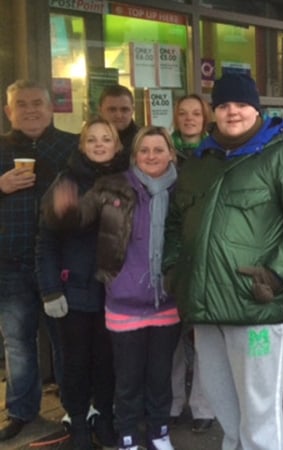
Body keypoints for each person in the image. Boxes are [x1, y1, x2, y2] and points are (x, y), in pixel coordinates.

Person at [164, 73, 283, 450]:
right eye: (223, 105)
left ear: (257, 109)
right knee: (224, 403)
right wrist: (173, 268)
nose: (232, 112)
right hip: (205, 307)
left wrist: (274, 274)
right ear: (213, 112)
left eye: (240, 104)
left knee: (259, 409)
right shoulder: (200, 160)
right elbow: (175, 222)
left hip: (255, 304)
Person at [49, 126, 181, 450]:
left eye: (158, 149)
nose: (151, 156)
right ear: (134, 156)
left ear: (171, 154)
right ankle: (128, 437)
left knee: (159, 378)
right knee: (128, 380)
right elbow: (79, 218)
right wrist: (64, 210)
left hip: (167, 300)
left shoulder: (184, 189)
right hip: (124, 301)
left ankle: (158, 432)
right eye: (144, 150)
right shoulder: (112, 187)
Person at [36, 118, 127, 450]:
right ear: (82, 146)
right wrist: (50, 289)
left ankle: (103, 418)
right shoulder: (66, 182)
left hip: (116, 293)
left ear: (118, 145)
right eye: (92, 139)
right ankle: (77, 421)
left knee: (107, 362)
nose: (100, 144)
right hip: (74, 291)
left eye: (107, 138)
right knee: (75, 362)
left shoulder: (128, 182)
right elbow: (45, 242)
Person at [0, 79, 76, 441]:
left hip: (59, 261)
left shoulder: (71, 145)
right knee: (17, 340)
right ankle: (21, 411)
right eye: (22, 104)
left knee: (66, 338)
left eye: (37, 103)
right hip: (10, 261)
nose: (30, 110)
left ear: (51, 108)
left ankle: (73, 408)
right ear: (8, 111)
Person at [168, 94, 215, 433]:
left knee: (202, 337)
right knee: (170, 336)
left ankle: (203, 406)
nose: (189, 118)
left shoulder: (214, 152)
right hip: (170, 250)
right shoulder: (160, 148)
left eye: (195, 113)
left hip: (203, 251)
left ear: (205, 117)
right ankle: (171, 402)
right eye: (182, 113)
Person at [98, 84, 139, 156]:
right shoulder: (85, 142)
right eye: (112, 110)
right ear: (100, 110)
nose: (118, 115)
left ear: (133, 110)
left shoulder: (145, 141)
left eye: (124, 109)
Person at [172, 94, 211, 161]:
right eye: (182, 113)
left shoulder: (216, 151)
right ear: (176, 119)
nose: (189, 118)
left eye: (196, 114)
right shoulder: (164, 150)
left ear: (204, 118)